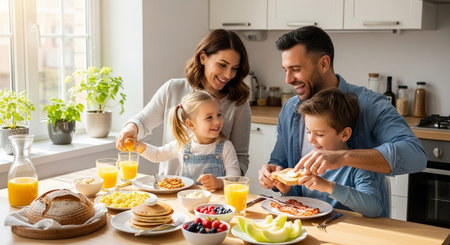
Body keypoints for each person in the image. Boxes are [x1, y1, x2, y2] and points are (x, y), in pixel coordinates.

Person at [258, 26, 426, 196]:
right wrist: (273, 174)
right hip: (300, 214)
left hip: (353, 219)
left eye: (296, 69)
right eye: (286, 70)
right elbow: (280, 162)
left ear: (324, 63)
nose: (288, 80)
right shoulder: (290, 109)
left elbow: (415, 155)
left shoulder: (371, 105)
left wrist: (343, 156)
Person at [116, 29, 251, 176]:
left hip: (215, 196)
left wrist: (223, 183)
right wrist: (130, 129)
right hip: (169, 188)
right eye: (222, 65)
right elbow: (142, 121)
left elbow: (241, 159)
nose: (228, 75)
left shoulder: (238, 102)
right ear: (203, 58)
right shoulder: (173, 89)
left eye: (234, 69)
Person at [274, 88, 388, 217]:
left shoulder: (357, 166)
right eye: (308, 132)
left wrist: (328, 186)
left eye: (320, 134)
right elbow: (302, 204)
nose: (311, 139)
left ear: (344, 134)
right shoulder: (309, 162)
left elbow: (374, 209)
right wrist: (287, 191)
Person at [134, 91, 241, 191]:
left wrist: (219, 182)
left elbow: (235, 178)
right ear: (190, 124)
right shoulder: (182, 144)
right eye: (209, 117)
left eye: (219, 114)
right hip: (187, 202)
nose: (217, 121)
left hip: (215, 206)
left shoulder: (226, 147)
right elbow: (158, 155)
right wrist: (139, 146)